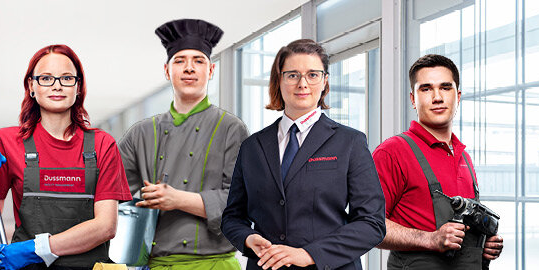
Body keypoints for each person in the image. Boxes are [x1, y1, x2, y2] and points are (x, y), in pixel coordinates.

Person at [220, 39, 385, 270]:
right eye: (292, 75)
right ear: (279, 80)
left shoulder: (350, 142)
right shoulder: (252, 147)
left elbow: (372, 223)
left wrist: (309, 254)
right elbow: (232, 217)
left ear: (325, 81)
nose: (302, 83)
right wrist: (248, 239)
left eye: (313, 75)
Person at [0, 44, 132, 270]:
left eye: (66, 78)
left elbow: (106, 226)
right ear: (32, 86)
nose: (57, 86)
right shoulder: (7, 141)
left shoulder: (102, 145)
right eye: (46, 78)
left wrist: (36, 249)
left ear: (78, 86)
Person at [117, 18, 247, 270]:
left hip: (213, 265)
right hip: (155, 264)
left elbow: (240, 202)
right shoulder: (140, 133)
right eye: (180, 61)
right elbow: (112, 193)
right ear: (167, 70)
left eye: (198, 61)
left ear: (211, 71)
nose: (189, 68)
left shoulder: (231, 128)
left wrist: (176, 199)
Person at [372, 54, 504, 269]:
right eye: (426, 89)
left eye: (445, 87)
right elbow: (369, 225)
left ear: (458, 96)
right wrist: (430, 239)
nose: (437, 97)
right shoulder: (392, 152)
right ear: (413, 99)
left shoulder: (464, 157)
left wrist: (483, 245)